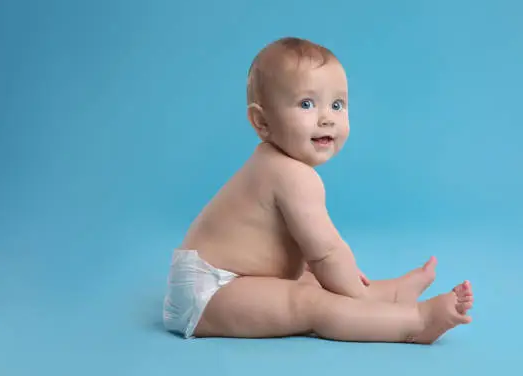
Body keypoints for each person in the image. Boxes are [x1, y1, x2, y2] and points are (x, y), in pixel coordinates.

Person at [162, 37, 474, 343]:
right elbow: (326, 252)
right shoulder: (290, 174)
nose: (327, 118)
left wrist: (345, 278)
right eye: (307, 104)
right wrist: (358, 297)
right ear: (262, 121)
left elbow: (302, 248)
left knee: (314, 280)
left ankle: (391, 294)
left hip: (221, 280)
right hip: (209, 292)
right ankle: (413, 322)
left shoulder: (275, 164)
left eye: (338, 104)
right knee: (310, 304)